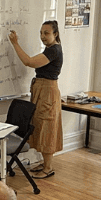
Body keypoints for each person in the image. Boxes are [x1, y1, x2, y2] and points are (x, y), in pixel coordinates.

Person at [9, 20, 63, 178]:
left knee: (47, 126)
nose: (42, 36)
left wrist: (15, 43)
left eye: (46, 33)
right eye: (41, 33)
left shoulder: (54, 50)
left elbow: (29, 62)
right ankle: (46, 163)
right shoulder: (49, 49)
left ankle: (48, 168)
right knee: (39, 124)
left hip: (47, 91)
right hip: (41, 89)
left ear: (55, 34)